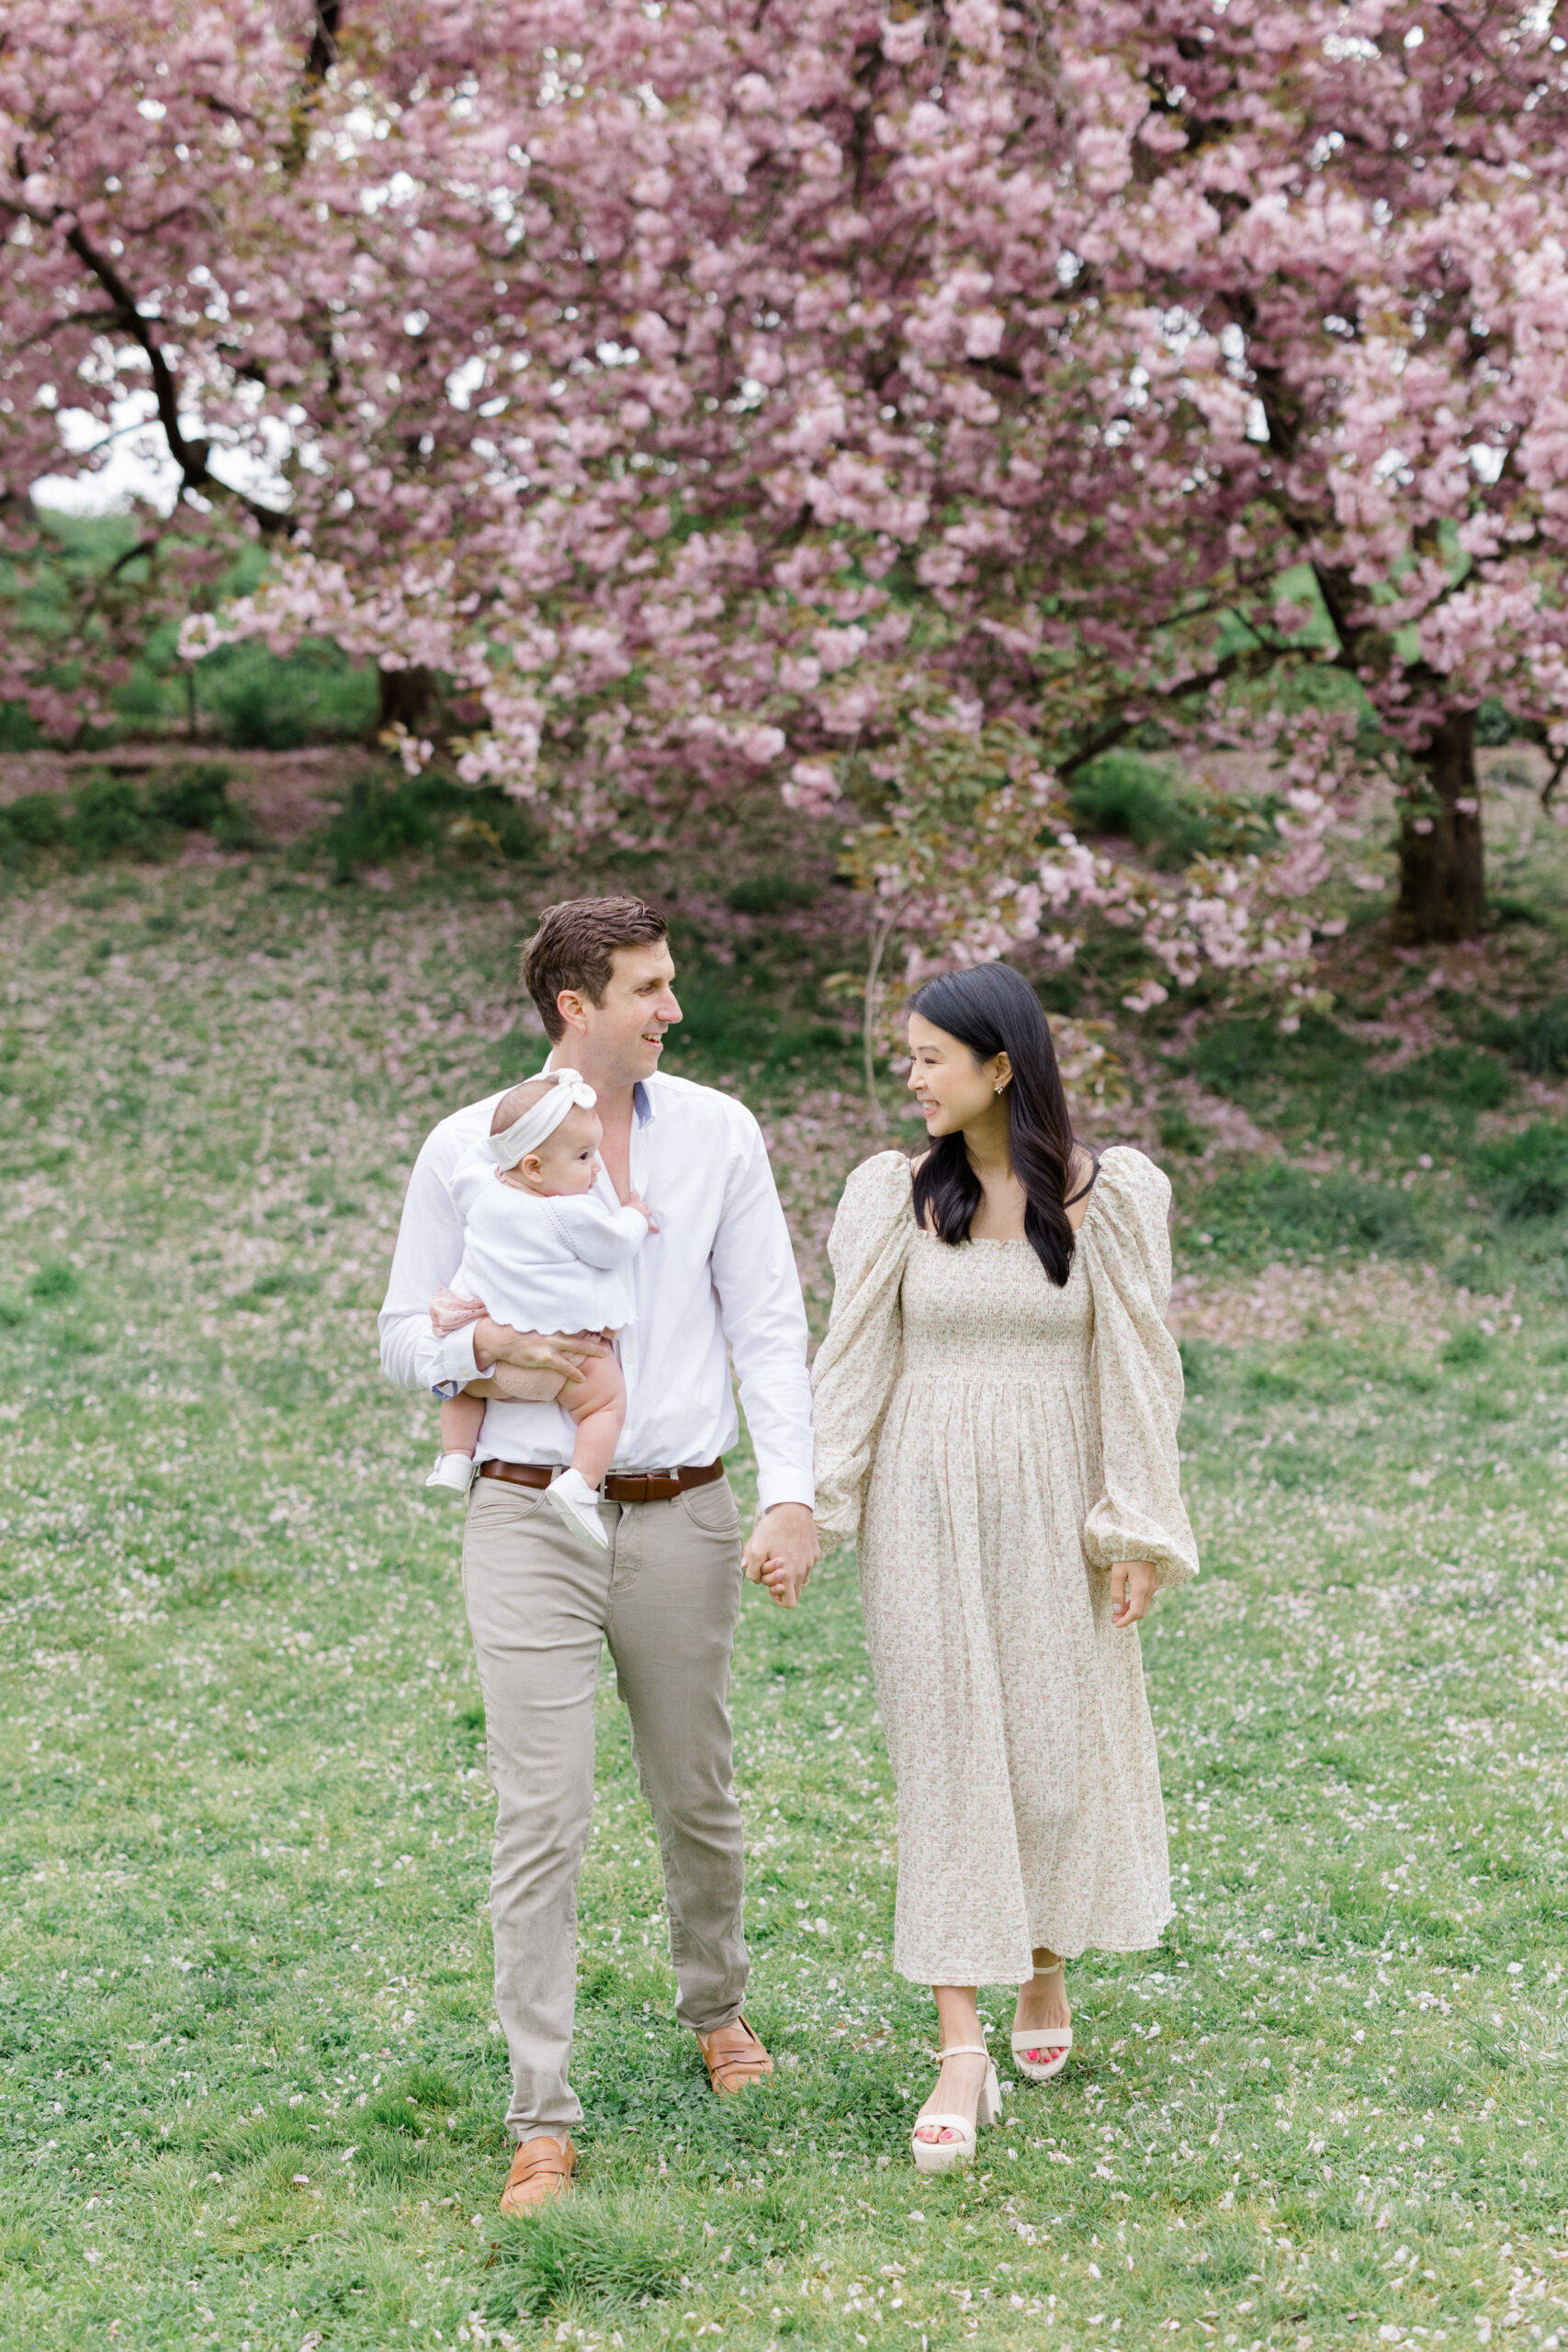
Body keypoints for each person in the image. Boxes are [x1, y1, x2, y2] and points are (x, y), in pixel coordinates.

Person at [378, 896, 818, 2212]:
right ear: (577, 1006)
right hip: (523, 1510)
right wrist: (489, 1353)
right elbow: (404, 1334)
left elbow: (771, 1324)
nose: (671, 1009)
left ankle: (717, 2009)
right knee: (541, 1817)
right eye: (648, 987)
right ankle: (542, 2115)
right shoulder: (465, 1147)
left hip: (684, 1507)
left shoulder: (719, 1134)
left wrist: (789, 1494)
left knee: (696, 1790)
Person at [811, 961, 1198, 2176]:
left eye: (928, 1055)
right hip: (921, 1508)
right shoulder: (890, 1196)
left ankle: (1040, 1959)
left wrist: (1133, 1523)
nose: (908, 1076)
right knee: (945, 1762)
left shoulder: (1109, 1194)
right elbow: (851, 1355)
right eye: (908, 1054)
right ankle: (956, 2046)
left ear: (999, 1066)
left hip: (1050, 1506)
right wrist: (811, 1506)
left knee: (1043, 1767)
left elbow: (1135, 1366)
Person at [422, 1069, 656, 1552]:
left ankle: (455, 1457)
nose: (596, 1169)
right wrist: (635, 1214)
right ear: (533, 1168)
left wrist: (508, 1140)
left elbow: (479, 1155)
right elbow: (614, 1246)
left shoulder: (479, 1191)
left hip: (494, 1363)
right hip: (567, 1359)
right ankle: (579, 1484)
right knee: (606, 1405)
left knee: (459, 1389)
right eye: (584, 1156)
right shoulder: (570, 1213)